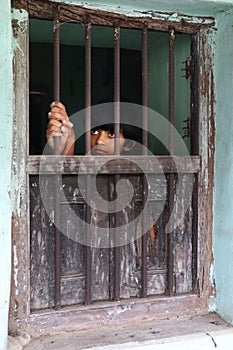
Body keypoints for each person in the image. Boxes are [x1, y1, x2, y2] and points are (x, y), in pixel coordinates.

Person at [46, 101, 142, 155]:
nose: (99, 141)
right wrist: (66, 143)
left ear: (129, 144)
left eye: (112, 134)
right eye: (94, 131)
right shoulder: (84, 171)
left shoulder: (136, 177)